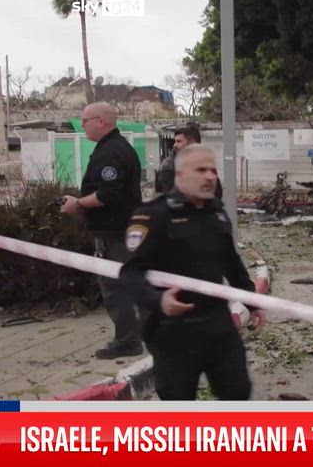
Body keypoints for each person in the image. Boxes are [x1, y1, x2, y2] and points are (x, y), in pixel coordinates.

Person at [118, 144, 265, 400]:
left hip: (217, 325)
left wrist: (252, 302)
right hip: (173, 331)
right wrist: (159, 300)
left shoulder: (217, 213)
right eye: (201, 170)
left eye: (213, 170)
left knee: (238, 391)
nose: (209, 176)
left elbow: (232, 263)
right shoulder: (153, 216)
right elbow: (130, 275)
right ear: (180, 175)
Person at [60, 102, 143, 359]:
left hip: (115, 233)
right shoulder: (112, 148)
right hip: (118, 230)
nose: (82, 124)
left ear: (101, 122)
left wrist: (78, 203)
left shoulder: (111, 152)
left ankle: (128, 341)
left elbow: (108, 194)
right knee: (122, 285)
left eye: (85, 120)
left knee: (115, 288)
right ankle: (134, 335)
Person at [155, 126, 223, 198]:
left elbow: (217, 193)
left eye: (179, 141)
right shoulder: (169, 166)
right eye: (175, 141)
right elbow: (170, 197)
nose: (174, 145)